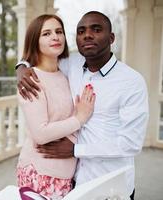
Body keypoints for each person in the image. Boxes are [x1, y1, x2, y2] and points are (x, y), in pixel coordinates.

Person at [16, 11, 149, 200]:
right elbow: (40, 53)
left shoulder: (131, 81)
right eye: (81, 31)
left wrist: (77, 149)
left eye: (96, 29)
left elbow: (131, 144)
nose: (87, 35)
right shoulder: (73, 64)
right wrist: (21, 68)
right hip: (75, 181)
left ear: (111, 38)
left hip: (111, 185)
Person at [16, 14, 96, 200]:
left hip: (66, 176)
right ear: (34, 41)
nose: (55, 37)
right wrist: (79, 118)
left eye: (59, 32)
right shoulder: (31, 79)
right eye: (46, 33)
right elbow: (40, 134)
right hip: (40, 174)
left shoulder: (65, 74)